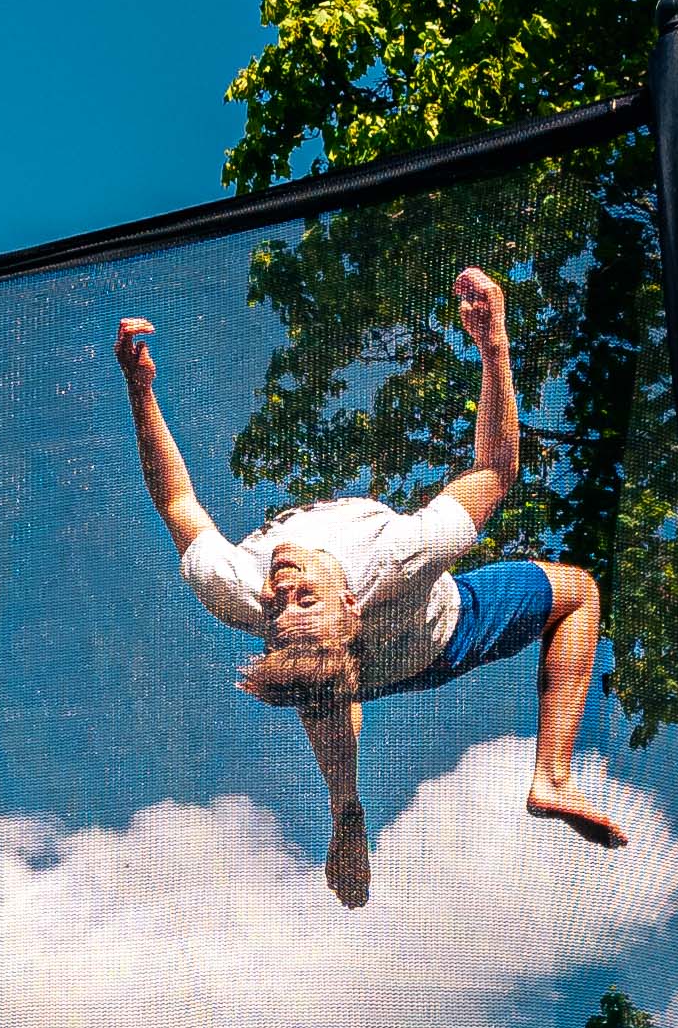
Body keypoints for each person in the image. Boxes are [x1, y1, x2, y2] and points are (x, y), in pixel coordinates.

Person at [114, 265, 626, 909]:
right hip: (448, 635)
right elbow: (496, 469)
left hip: (395, 649)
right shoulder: (400, 557)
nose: (283, 585)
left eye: (280, 605)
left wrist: (141, 392)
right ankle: (540, 777)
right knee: (577, 590)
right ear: (349, 601)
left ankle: (364, 811)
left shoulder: (238, 588)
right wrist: (493, 343)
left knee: (317, 679)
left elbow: (177, 500)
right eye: (301, 599)